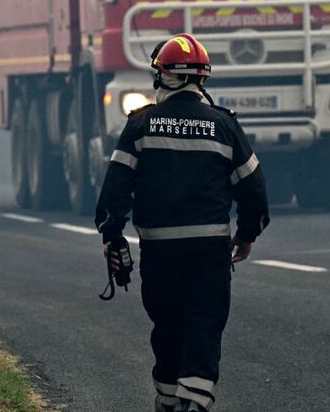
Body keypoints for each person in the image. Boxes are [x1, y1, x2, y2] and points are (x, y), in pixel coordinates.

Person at [95, 33, 270, 412]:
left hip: (159, 252)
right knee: (204, 326)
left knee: (168, 327)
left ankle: (169, 400)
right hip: (210, 252)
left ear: (162, 77)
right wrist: (246, 235)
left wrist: (113, 236)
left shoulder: (140, 125)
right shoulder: (224, 126)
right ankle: (195, 402)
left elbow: (116, 188)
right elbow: (254, 189)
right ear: (200, 80)